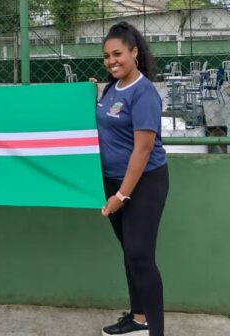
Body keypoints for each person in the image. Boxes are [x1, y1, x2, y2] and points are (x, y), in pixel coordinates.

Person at [95, 22, 169, 336]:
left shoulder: (144, 93)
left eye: (118, 54)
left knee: (140, 255)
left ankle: (156, 331)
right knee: (130, 252)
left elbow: (143, 148)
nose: (112, 61)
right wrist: (88, 93)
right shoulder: (112, 88)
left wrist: (122, 195)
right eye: (107, 56)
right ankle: (139, 320)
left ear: (134, 52)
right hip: (113, 181)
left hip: (143, 184)